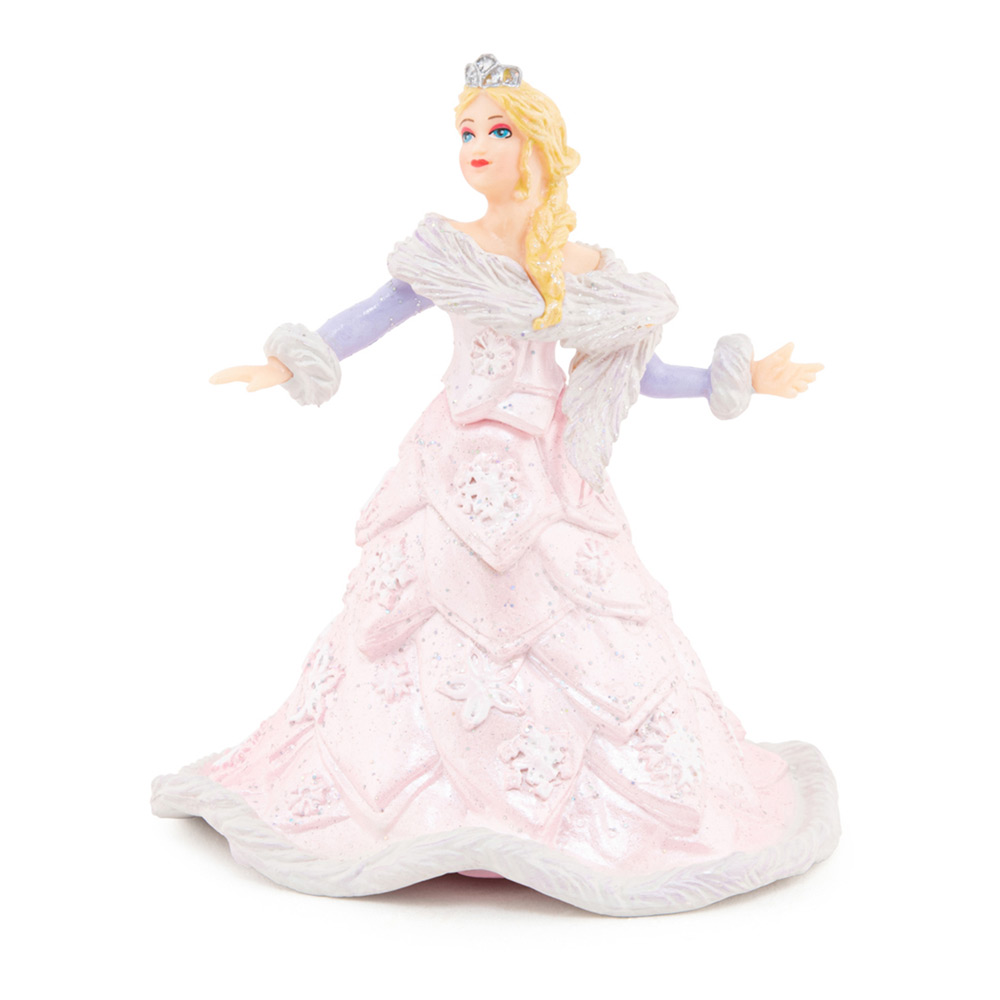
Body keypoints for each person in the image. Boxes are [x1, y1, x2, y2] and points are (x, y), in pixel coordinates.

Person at [152, 55, 839, 916]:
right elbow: (372, 315)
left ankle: (558, 791)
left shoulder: (583, 264)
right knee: (422, 610)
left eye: (498, 129)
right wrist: (293, 360)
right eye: (467, 131)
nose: (477, 145)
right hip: (457, 462)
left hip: (548, 469)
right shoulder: (451, 250)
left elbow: (634, 369)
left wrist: (729, 380)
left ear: (538, 147)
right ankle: (420, 784)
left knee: (572, 615)